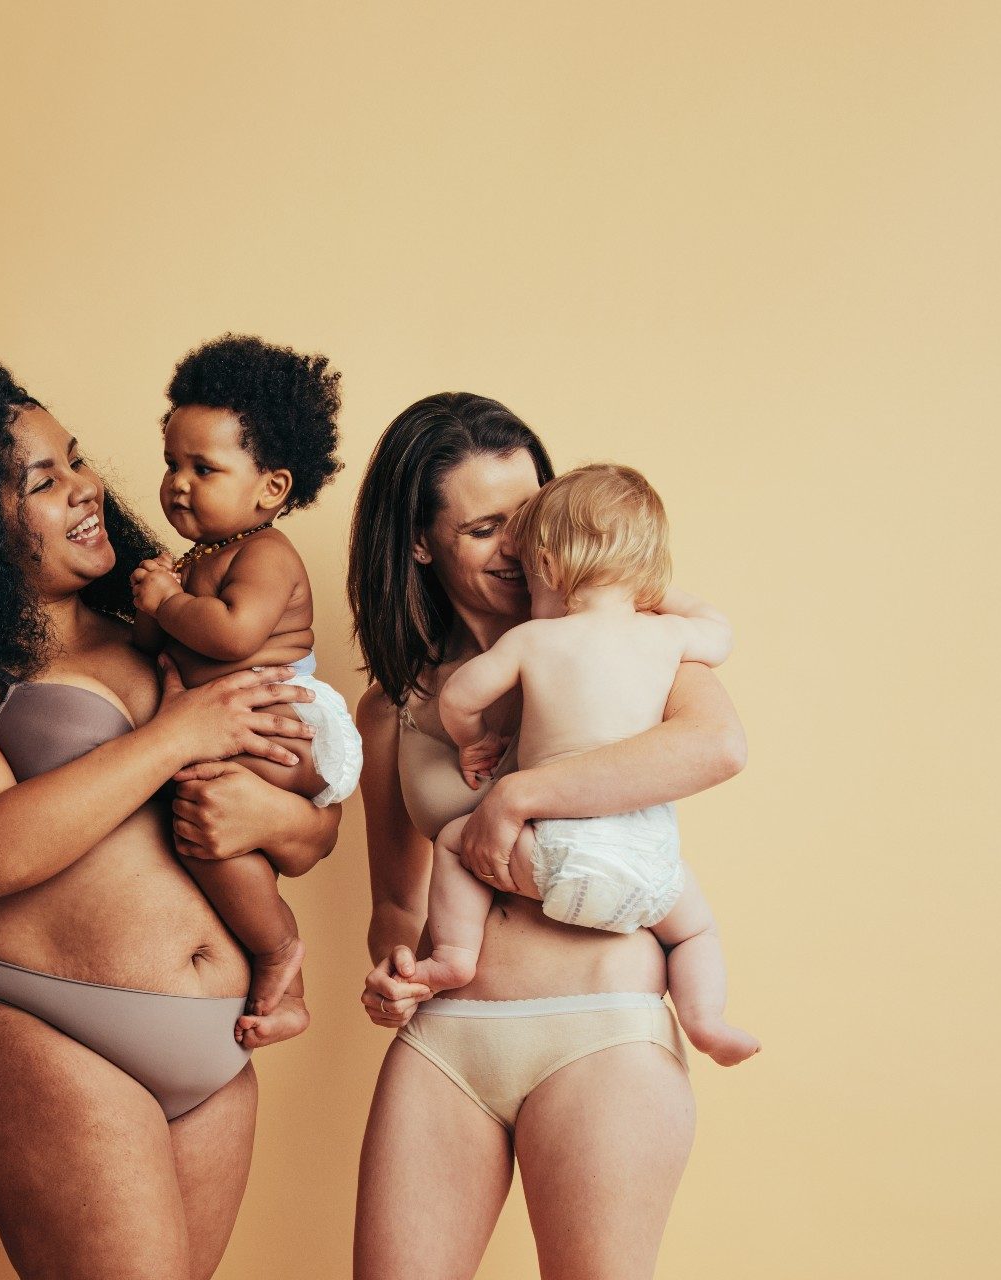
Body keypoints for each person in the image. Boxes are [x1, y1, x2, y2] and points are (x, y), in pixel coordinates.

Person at [0, 357, 340, 1280]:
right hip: (40, 1024)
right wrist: (179, 734)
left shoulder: (173, 627)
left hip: (214, 1054)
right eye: (43, 478)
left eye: (75, 459)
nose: (87, 485)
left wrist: (273, 814)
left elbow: (308, 836)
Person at [347, 393, 747, 1280]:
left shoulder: (635, 646)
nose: (518, 549)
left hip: (598, 1028)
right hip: (448, 1044)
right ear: (420, 543)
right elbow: (395, 901)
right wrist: (391, 969)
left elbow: (716, 746)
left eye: (528, 520)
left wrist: (513, 795)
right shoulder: (396, 706)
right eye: (485, 528)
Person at [414, 463, 759, 1065]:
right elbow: (720, 632)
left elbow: (458, 698)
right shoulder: (668, 638)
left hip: (552, 855)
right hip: (646, 864)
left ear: (544, 565)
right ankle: (706, 1020)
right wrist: (652, 590)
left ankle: (454, 956)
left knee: (451, 844)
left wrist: (476, 743)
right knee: (697, 932)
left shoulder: (533, 641)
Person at [129, 334, 363, 1046]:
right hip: (245, 721)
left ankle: (277, 950)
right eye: (172, 462)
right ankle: (279, 962)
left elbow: (232, 636)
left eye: (205, 467)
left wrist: (166, 604)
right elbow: (164, 657)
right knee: (209, 827)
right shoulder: (202, 557)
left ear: (272, 488)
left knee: (202, 801)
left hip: (290, 721)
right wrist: (151, 614)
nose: (178, 482)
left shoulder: (265, 553)